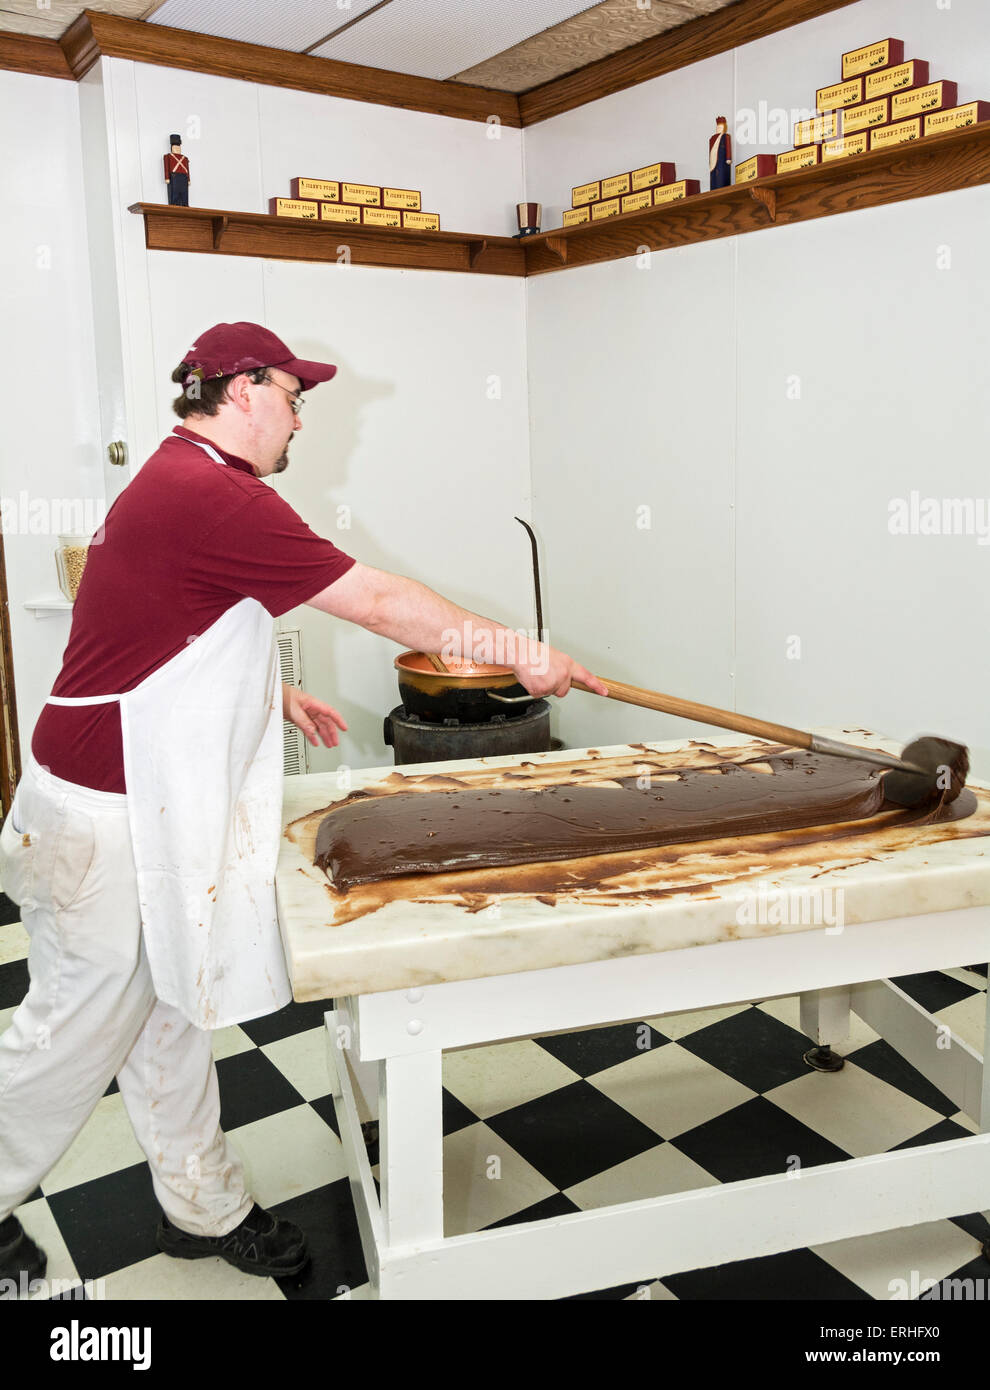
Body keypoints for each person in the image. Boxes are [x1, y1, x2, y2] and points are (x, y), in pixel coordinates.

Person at [0, 321, 606, 1288]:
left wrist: (264, 690)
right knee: (69, 1032)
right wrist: (519, 651)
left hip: (137, 809)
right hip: (104, 823)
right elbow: (378, 603)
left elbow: (149, 623)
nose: (300, 417)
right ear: (241, 391)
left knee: (169, 1014)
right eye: (292, 394)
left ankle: (202, 1206)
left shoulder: (187, 479)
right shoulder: (207, 493)